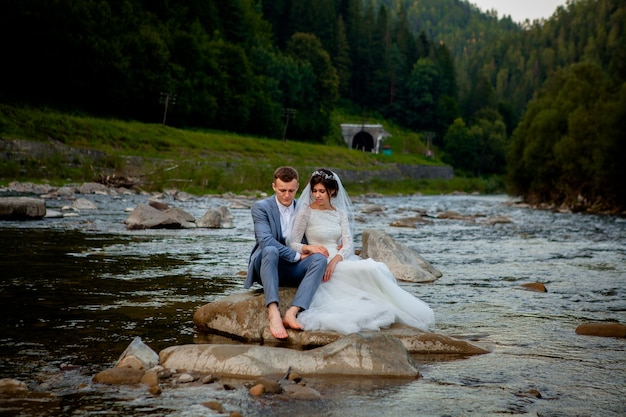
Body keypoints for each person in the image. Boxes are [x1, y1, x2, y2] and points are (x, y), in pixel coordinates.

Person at [287, 168, 435, 334]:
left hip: (339, 259)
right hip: (318, 260)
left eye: (322, 191)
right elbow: (293, 243)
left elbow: (348, 244)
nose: (317, 195)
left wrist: (336, 260)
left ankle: (392, 307)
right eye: (314, 191)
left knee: (375, 267)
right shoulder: (306, 212)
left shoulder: (339, 213)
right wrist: (309, 248)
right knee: (366, 271)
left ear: (332, 190)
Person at [244, 166, 327, 339]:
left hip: (293, 269)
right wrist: (297, 255)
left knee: (319, 259)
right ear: (274, 186)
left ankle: (292, 312)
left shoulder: (305, 209)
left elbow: (318, 234)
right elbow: (265, 240)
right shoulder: (261, 207)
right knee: (270, 249)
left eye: (291, 190)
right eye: (282, 190)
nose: (287, 195)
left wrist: (336, 246)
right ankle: (273, 311)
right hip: (267, 264)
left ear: (297, 188)